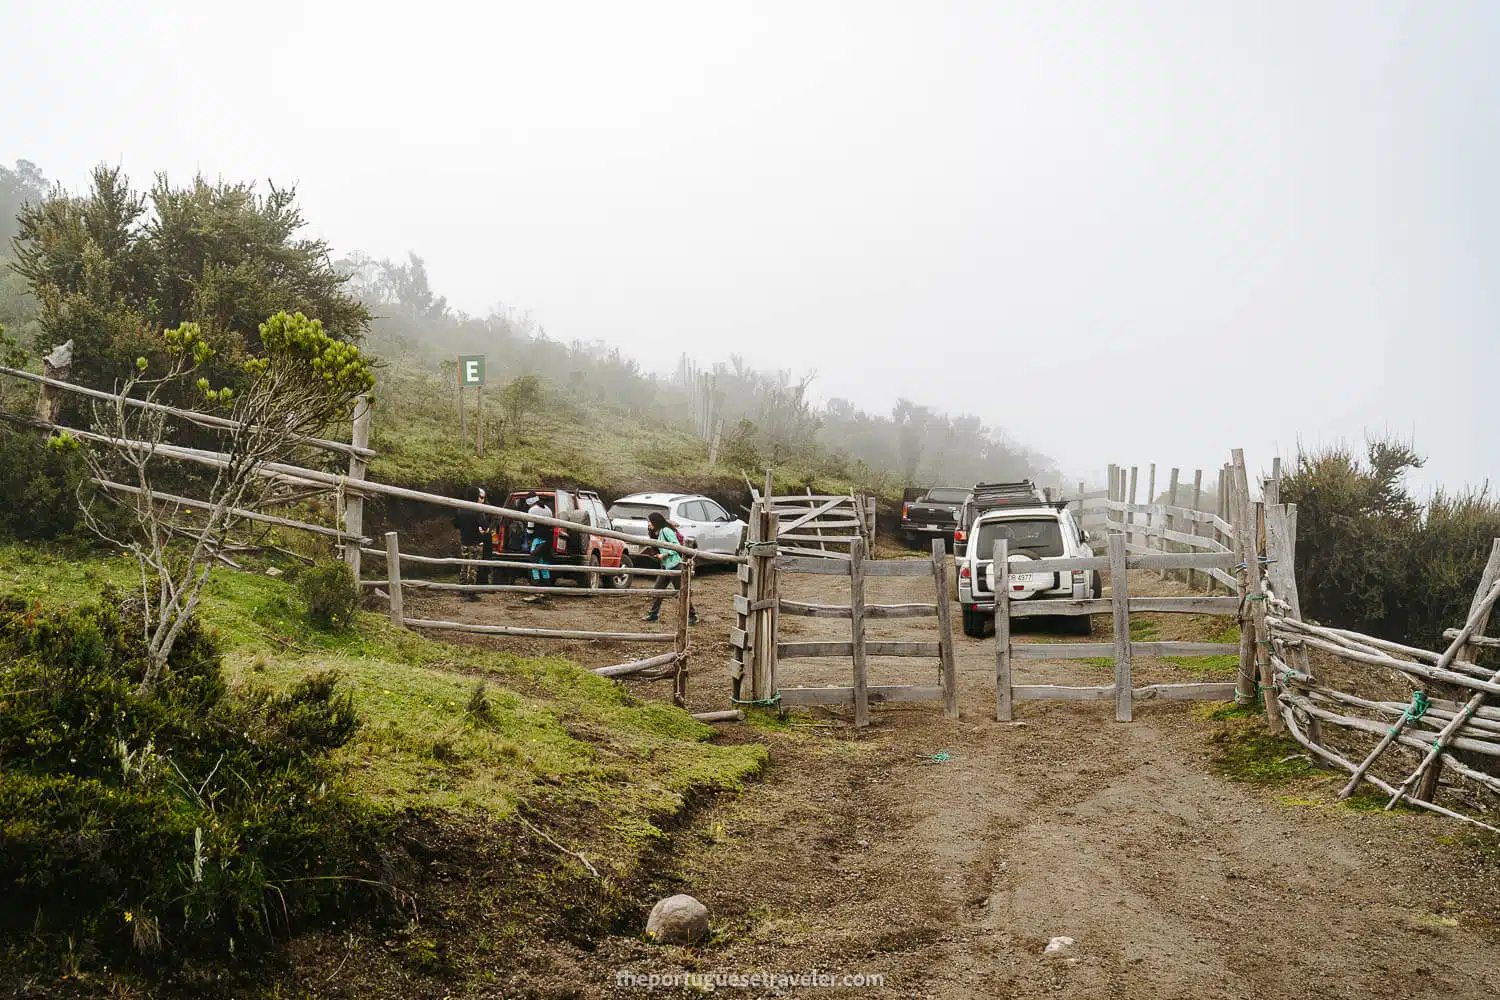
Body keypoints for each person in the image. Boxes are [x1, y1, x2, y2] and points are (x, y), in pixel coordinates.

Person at [643, 511, 698, 625]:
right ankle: (653, 614)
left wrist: (664, 555)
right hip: (665, 566)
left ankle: (692, 615)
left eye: (649, 521)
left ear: (655, 521)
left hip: (675, 565)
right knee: (658, 589)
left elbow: (676, 546)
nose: (648, 523)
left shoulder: (666, 530)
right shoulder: (656, 532)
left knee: (681, 591)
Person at [452, 486, 491, 602]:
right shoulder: (476, 510)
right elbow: (484, 526)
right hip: (476, 541)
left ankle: (461, 589)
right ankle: (470, 593)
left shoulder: (461, 508)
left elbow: (455, 524)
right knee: (473, 568)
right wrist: (483, 529)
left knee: (464, 566)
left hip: (464, 541)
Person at [522, 493, 554, 603]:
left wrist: (528, 539)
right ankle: (545, 591)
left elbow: (530, 528)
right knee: (544, 565)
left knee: (534, 564)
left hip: (538, 540)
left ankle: (536, 592)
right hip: (548, 541)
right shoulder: (548, 509)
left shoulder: (532, 510)